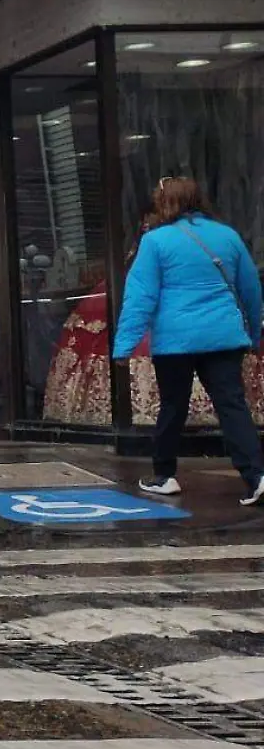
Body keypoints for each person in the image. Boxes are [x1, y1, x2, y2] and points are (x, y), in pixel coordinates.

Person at [112, 177, 264, 504]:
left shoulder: (155, 242)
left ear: (165, 203)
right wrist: (253, 335)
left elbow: (141, 296)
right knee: (232, 406)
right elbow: (251, 290)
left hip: (175, 340)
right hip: (224, 337)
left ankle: (164, 475)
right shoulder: (228, 236)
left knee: (173, 406)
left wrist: (125, 344)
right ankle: (256, 476)